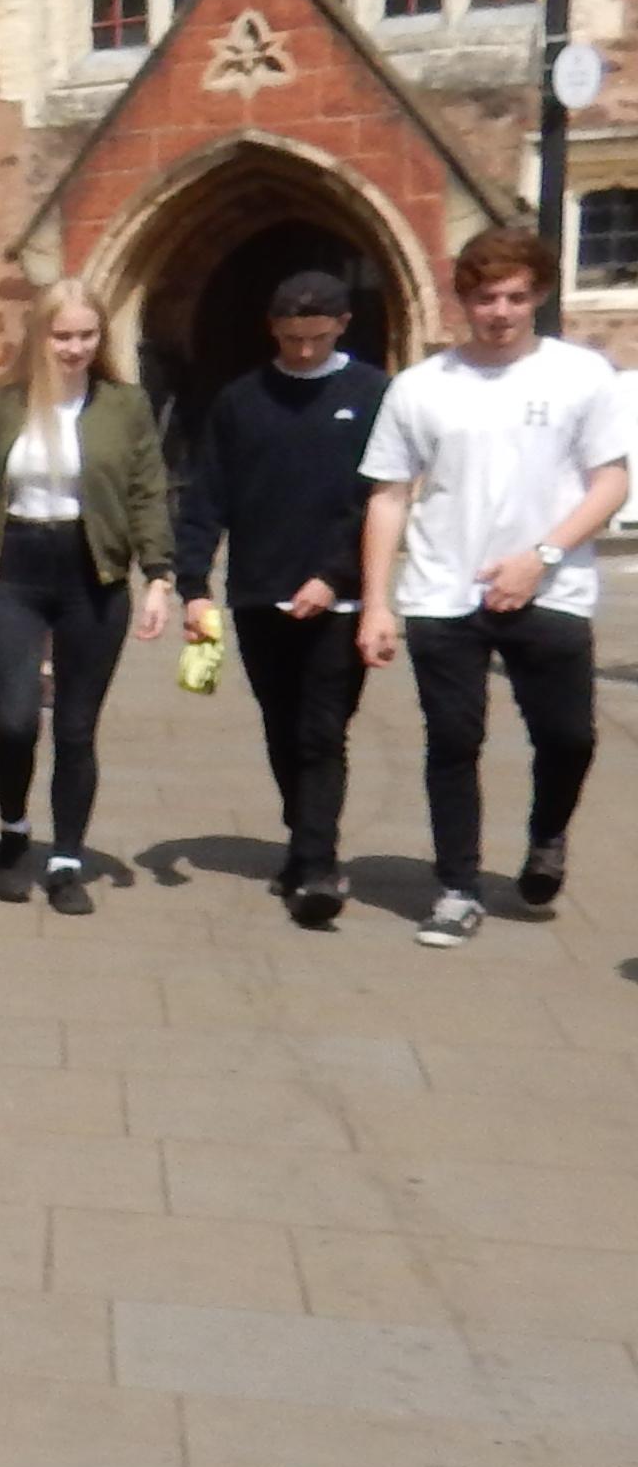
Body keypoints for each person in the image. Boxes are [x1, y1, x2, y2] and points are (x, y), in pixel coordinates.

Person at [359, 225, 634, 944]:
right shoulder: (421, 387)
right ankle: (457, 887)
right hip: (443, 591)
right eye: (485, 298)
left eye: (514, 297)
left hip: (550, 588)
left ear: (537, 295)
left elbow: (611, 482)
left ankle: (547, 836)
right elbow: (389, 495)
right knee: (453, 740)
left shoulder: (581, 376)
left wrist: (540, 556)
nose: (500, 312)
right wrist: (378, 603)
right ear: (464, 301)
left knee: (568, 737)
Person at [0, 281, 176, 912]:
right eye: (62, 335)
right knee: (15, 721)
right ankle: (13, 829)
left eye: (86, 335)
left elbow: (147, 492)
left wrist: (159, 575)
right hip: (14, 570)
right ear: (39, 336)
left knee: (75, 728)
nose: (74, 348)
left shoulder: (124, 406)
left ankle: (67, 859)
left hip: (92, 574)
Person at [177, 268, 388, 927]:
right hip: (259, 590)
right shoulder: (240, 401)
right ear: (273, 328)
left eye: (317, 337)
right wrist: (193, 585)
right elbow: (207, 495)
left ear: (342, 326)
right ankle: (304, 838)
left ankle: (318, 866)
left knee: (322, 731)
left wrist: (335, 577)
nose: (304, 350)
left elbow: (378, 500)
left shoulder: (373, 394)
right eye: (293, 337)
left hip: (338, 598)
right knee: (281, 725)